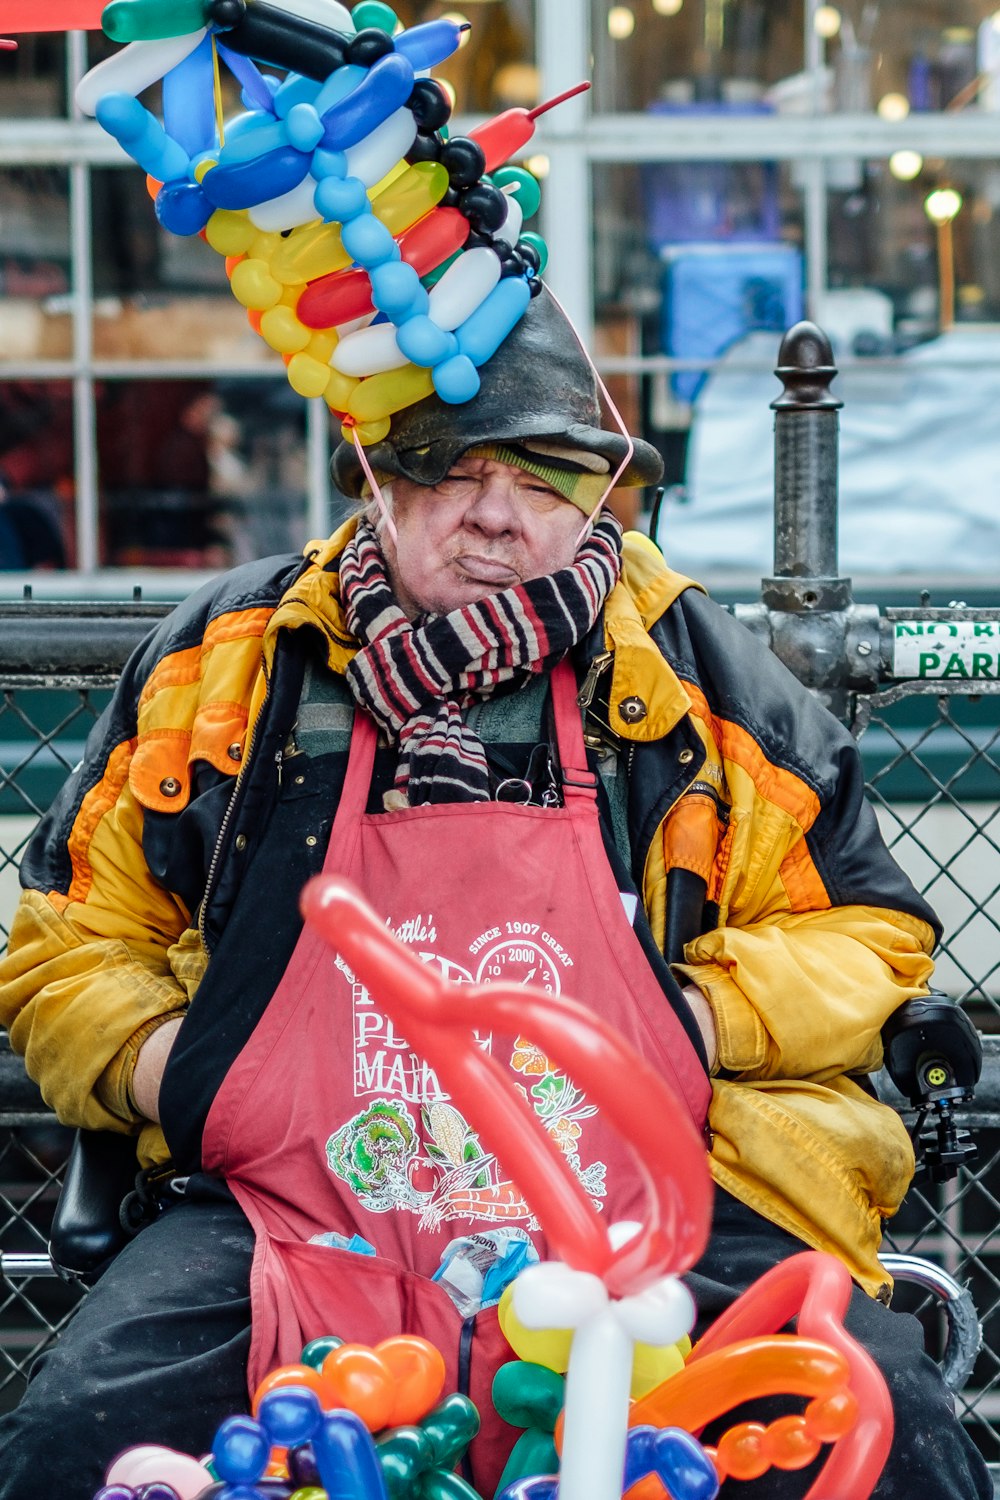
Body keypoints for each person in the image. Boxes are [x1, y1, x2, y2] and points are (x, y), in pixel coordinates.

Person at [0, 288, 990, 1500]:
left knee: (889, 1444)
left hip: (657, 1197)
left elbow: (868, 933)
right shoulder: (229, 662)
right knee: (69, 1447)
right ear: (377, 473)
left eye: (545, 483)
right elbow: (71, 945)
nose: (497, 520)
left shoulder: (698, 678)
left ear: (597, 497)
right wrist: (189, 1067)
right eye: (455, 474)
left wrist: (684, 1024)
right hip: (292, 1208)